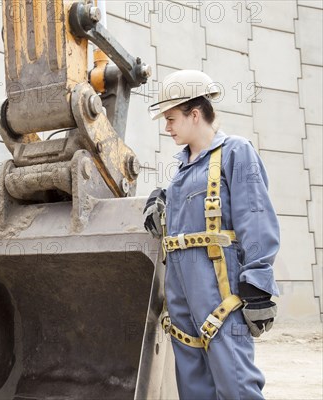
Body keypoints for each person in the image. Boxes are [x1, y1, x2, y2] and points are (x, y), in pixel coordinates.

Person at [143, 70, 280, 399]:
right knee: (193, 388)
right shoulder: (180, 173)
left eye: (172, 118)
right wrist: (160, 197)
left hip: (220, 296)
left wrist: (258, 284)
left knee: (235, 385)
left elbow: (256, 217)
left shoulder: (236, 152)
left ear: (194, 114)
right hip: (181, 301)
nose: (167, 127)